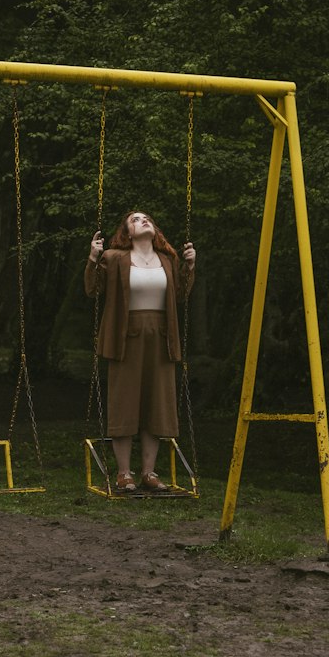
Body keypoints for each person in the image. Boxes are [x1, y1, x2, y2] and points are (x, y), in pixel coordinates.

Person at [84, 210, 196, 493]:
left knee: (156, 403)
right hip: (126, 335)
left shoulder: (168, 259)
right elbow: (92, 289)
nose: (143, 221)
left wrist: (190, 266)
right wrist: (93, 259)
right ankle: (124, 473)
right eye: (135, 220)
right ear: (127, 232)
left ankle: (149, 472)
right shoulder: (114, 257)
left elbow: (181, 294)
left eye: (147, 218)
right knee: (125, 401)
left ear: (154, 229)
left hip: (161, 336)